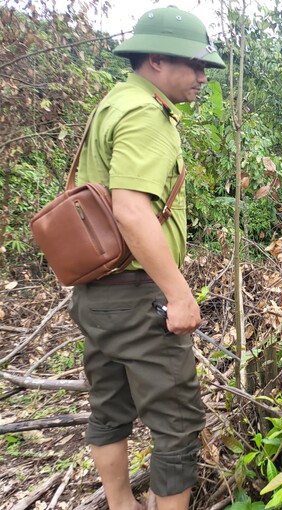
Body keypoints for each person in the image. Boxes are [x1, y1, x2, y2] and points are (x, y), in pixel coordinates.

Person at [68, 6, 225, 510]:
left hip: (96, 294)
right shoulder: (146, 114)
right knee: (177, 423)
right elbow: (132, 213)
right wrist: (180, 295)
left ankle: (121, 504)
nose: (203, 77)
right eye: (194, 65)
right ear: (156, 59)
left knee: (108, 408)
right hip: (137, 298)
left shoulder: (113, 102)